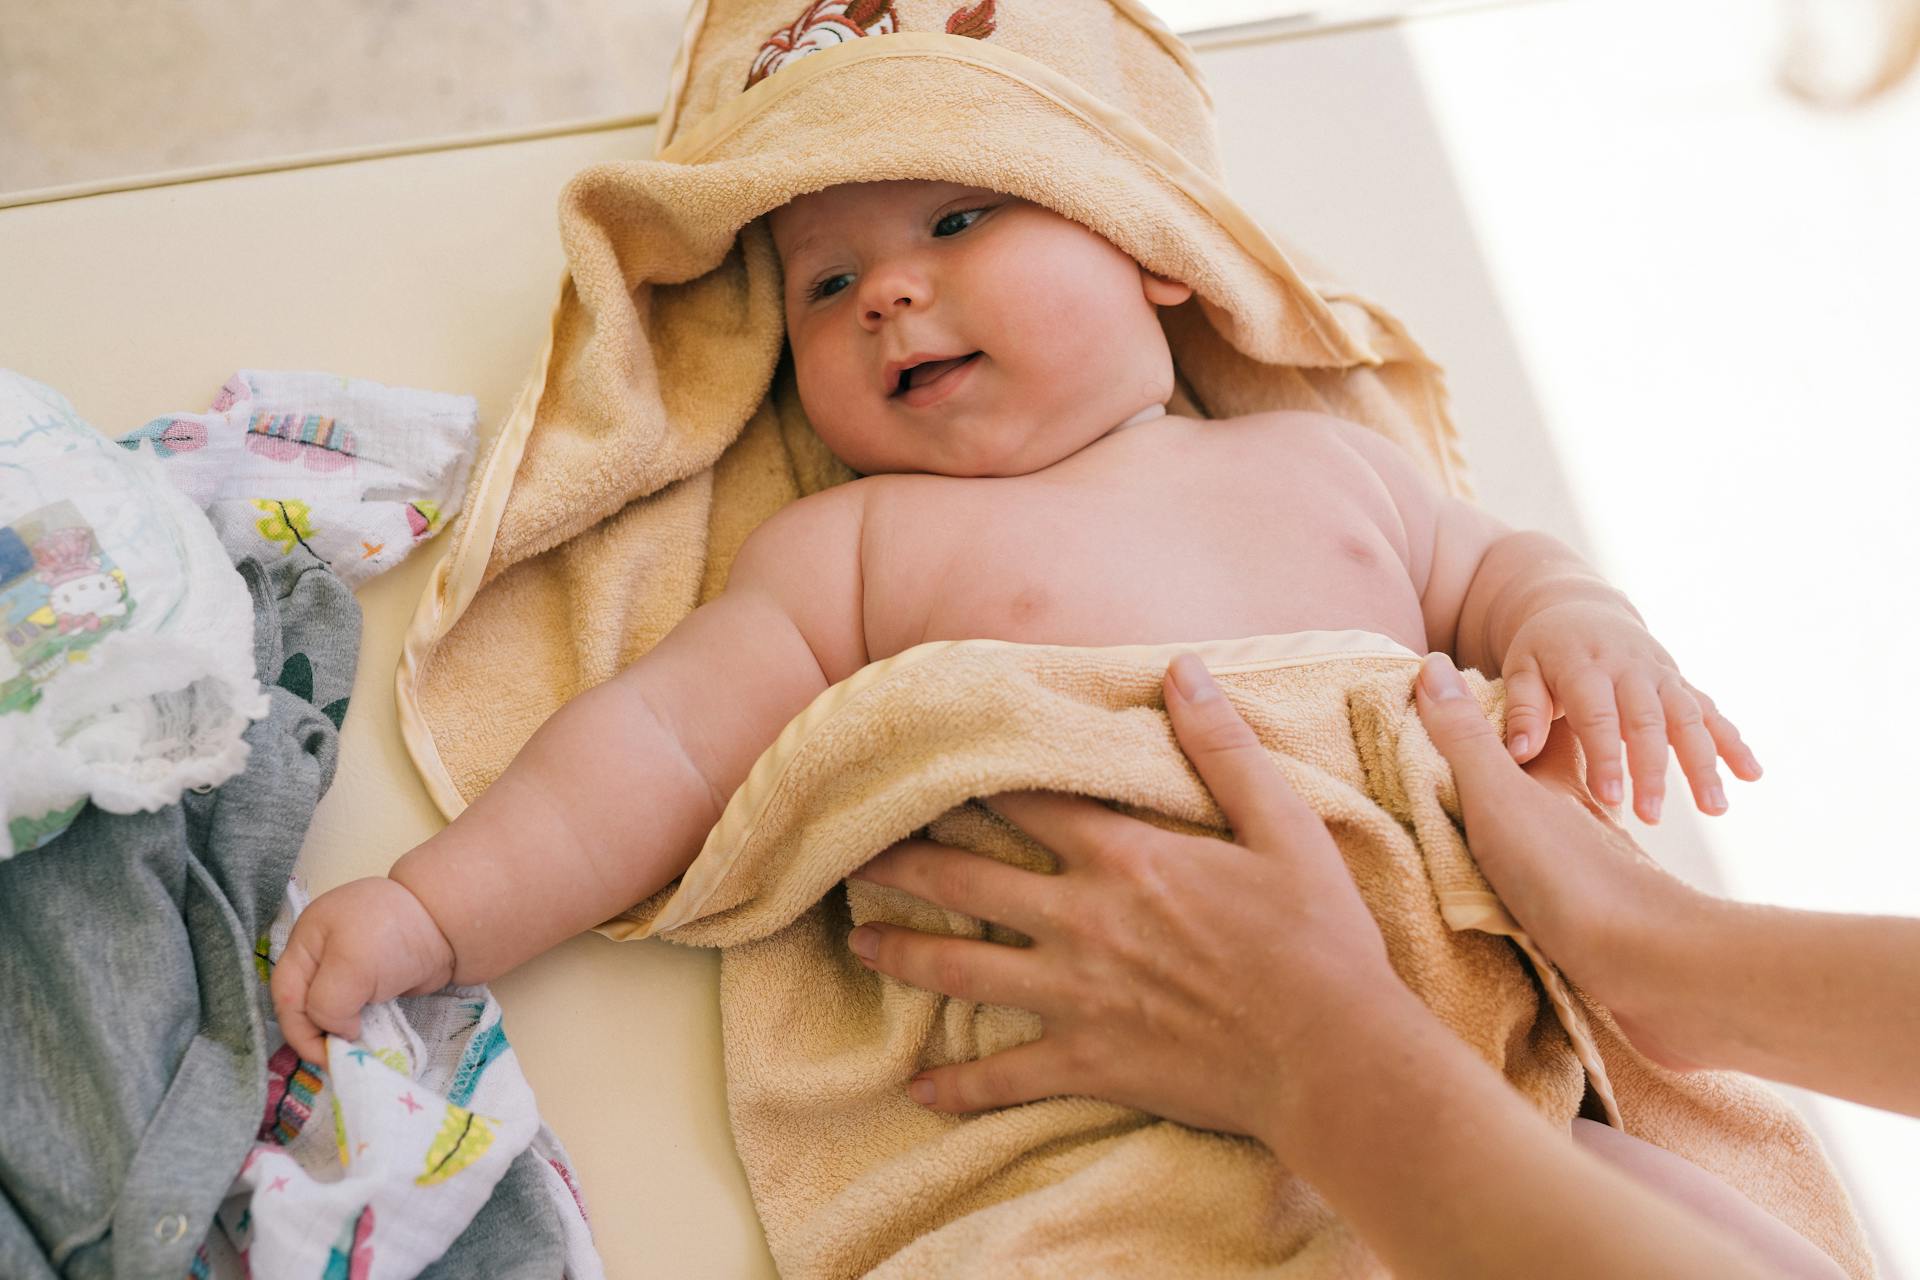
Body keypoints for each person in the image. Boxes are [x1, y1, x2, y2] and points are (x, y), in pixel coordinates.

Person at [270, 178, 1779, 1260]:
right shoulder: (862, 546)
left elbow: (1503, 571)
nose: (885, 292)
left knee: (1700, 1227)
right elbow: (655, 748)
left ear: (1152, 255)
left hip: (1466, 1066)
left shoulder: (1324, 466)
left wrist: (1583, 630)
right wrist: (433, 910)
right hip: (1117, 1118)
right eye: (822, 286)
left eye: (956, 221)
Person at [843, 649, 1919, 1278]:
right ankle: (1666, 966)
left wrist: (1311, 1043)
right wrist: (1656, 943)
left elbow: (1469, 556)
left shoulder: (1310, 461)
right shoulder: (868, 533)